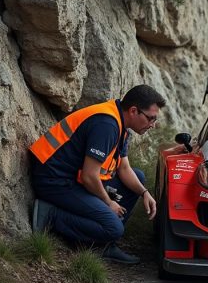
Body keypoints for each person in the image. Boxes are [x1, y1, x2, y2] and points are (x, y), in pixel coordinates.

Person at [29, 85, 165, 264]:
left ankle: (104, 245)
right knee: (114, 228)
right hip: (54, 181)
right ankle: (51, 215)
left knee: (137, 177)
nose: (153, 125)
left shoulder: (121, 123)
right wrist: (108, 203)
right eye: (151, 118)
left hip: (74, 179)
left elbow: (124, 169)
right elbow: (89, 176)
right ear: (134, 111)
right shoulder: (106, 125)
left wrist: (144, 193)